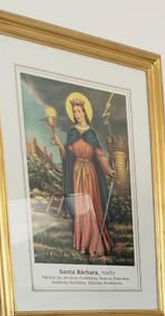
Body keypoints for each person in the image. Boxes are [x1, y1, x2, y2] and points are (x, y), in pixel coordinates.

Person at [51, 93, 115, 259]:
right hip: (77, 173)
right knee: (81, 207)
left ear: (85, 112)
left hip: (90, 173)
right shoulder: (72, 132)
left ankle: (94, 243)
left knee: (91, 207)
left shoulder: (92, 133)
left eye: (79, 111)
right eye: (74, 112)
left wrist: (108, 170)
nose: (76, 114)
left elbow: (100, 155)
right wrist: (59, 143)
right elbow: (67, 154)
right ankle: (83, 243)